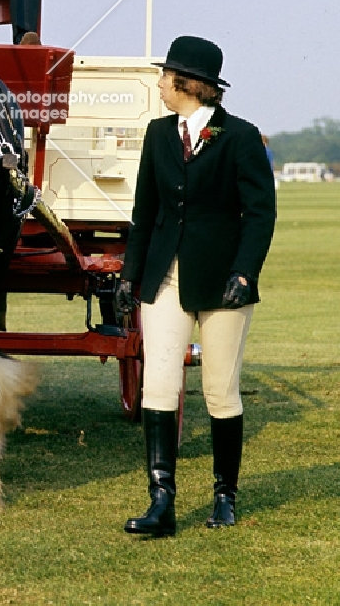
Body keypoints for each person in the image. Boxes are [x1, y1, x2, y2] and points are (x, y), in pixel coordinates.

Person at [116, 35, 276, 537]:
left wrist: (245, 273)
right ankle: (161, 502)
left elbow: (260, 214)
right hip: (164, 277)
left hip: (223, 281)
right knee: (159, 385)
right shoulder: (157, 134)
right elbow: (145, 214)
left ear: (188, 85)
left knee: (220, 392)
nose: (160, 83)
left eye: (166, 77)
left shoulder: (240, 137)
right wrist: (129, 275)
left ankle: (224, 498)